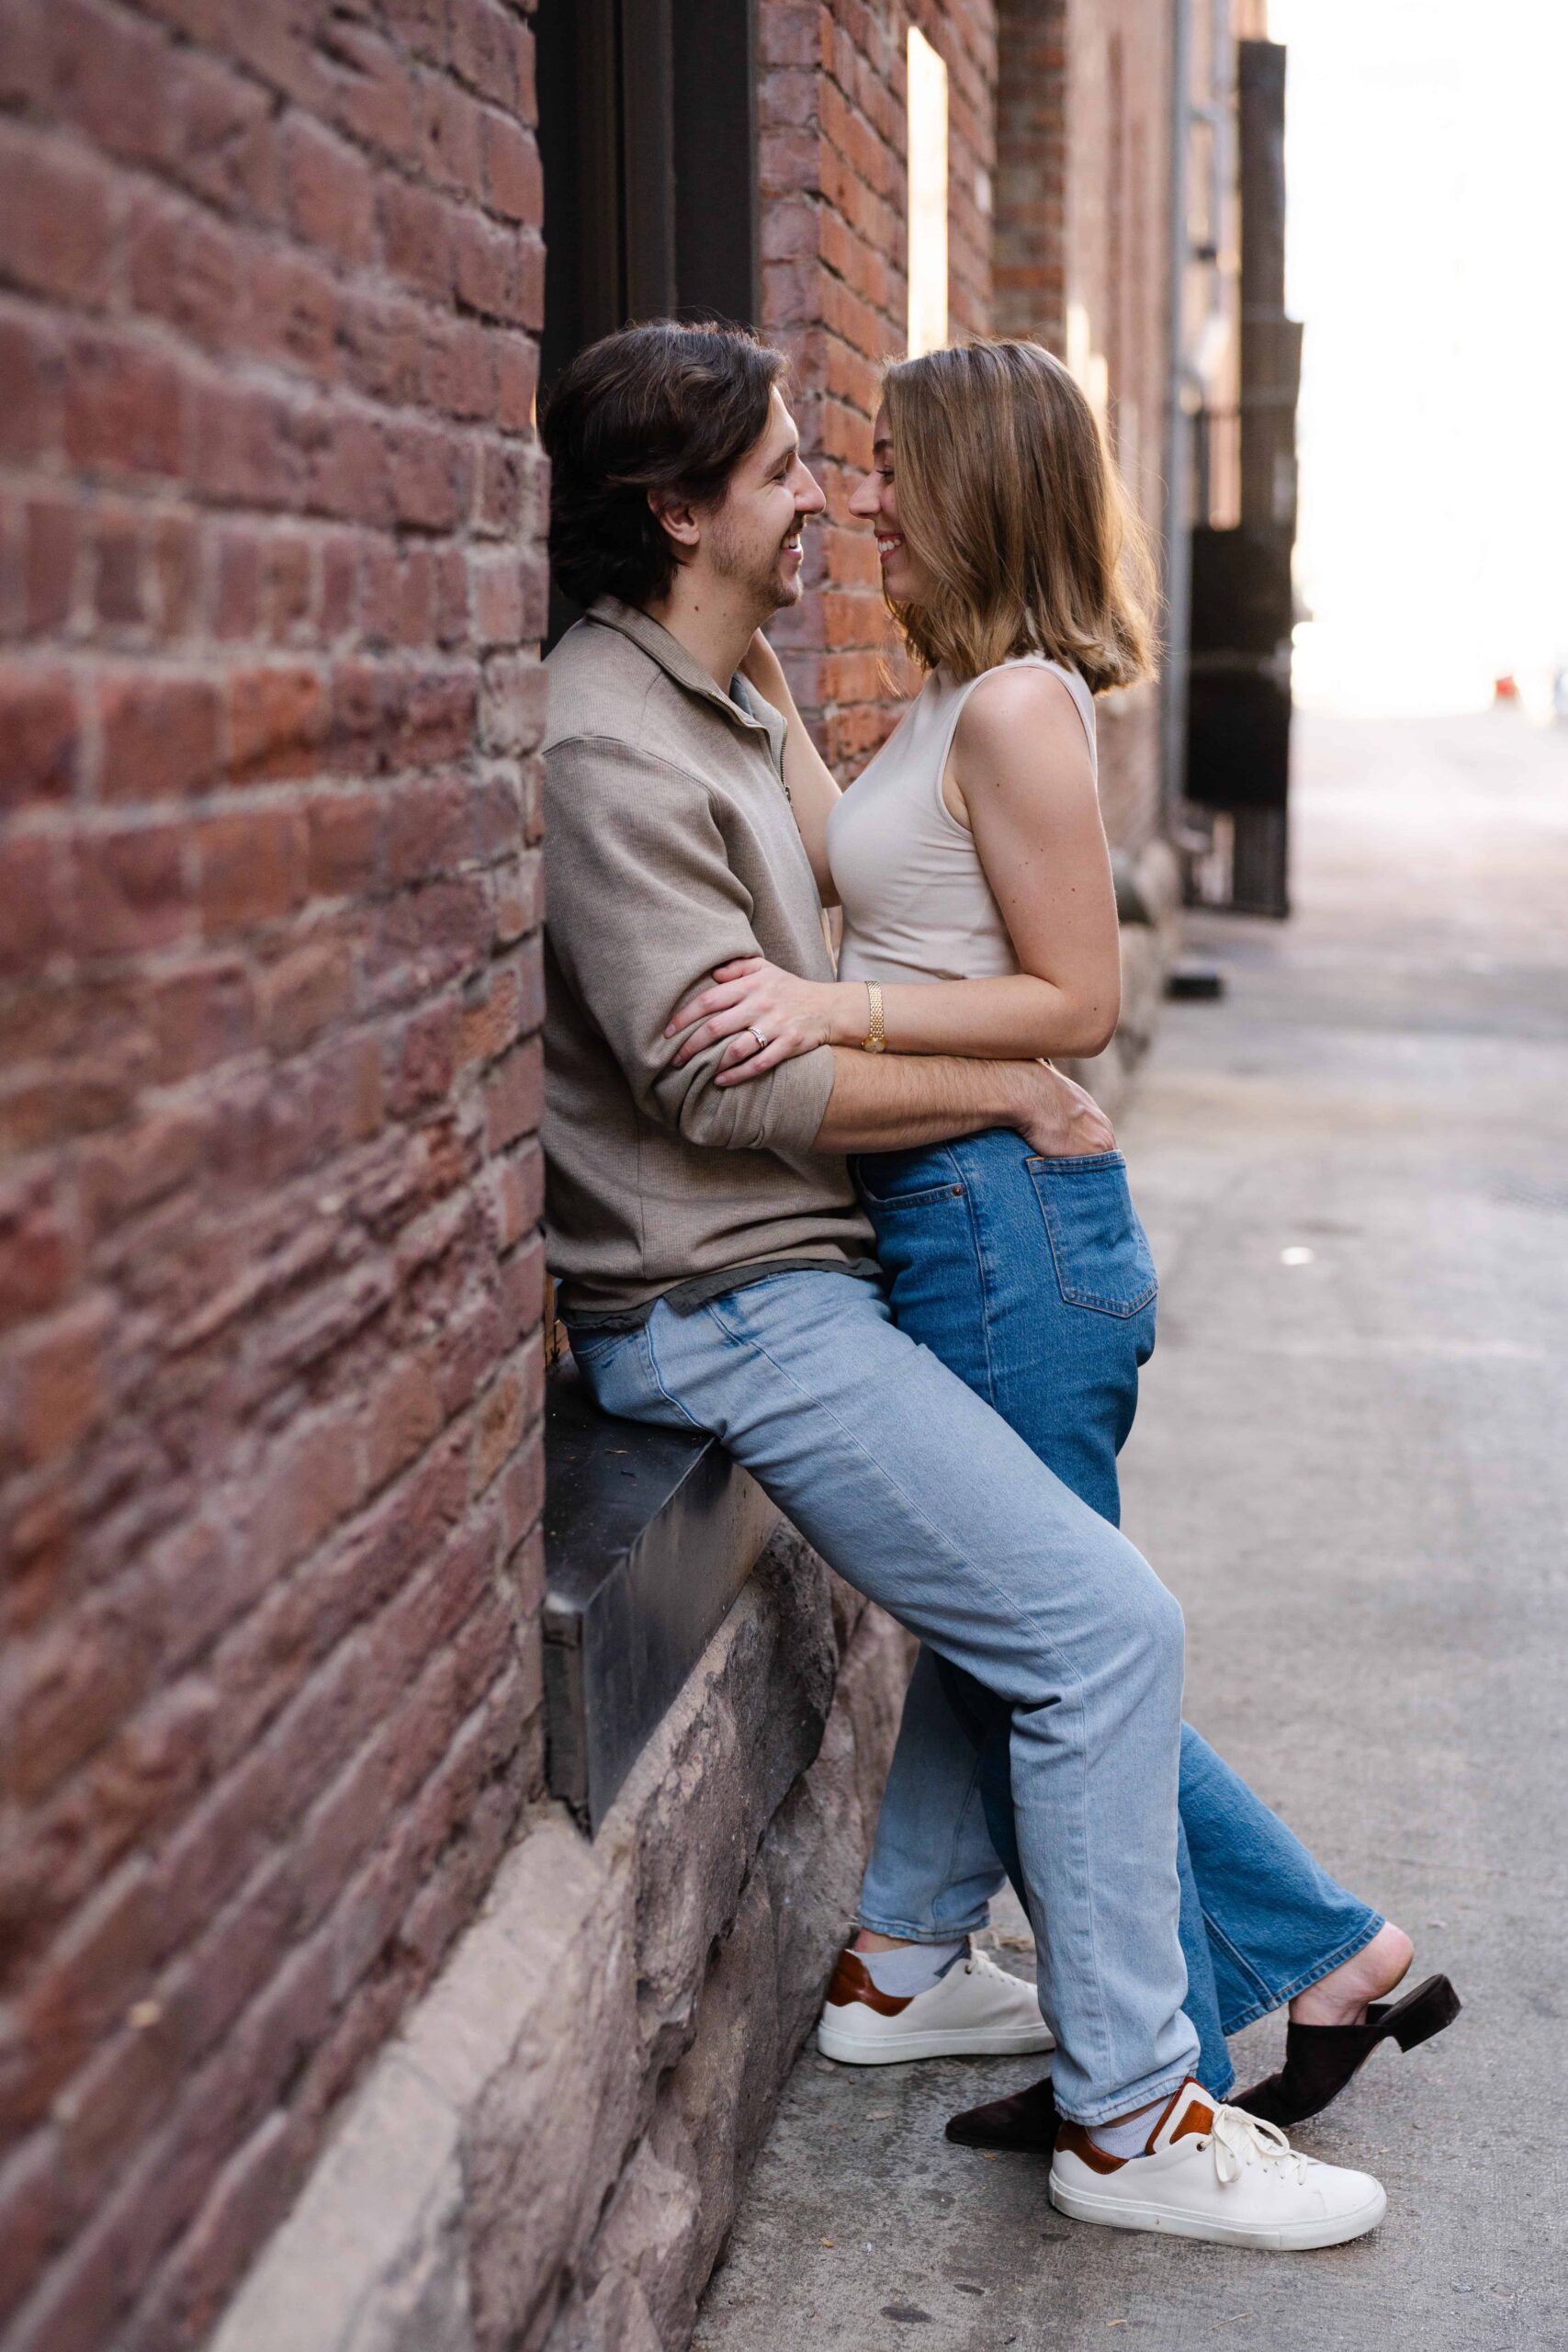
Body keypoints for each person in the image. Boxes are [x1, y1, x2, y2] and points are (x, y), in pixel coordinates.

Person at [539, 319, 1392, 2248]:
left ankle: (909, 1963)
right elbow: (710, 1066)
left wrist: (992, 1062)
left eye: (852, 464)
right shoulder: (605, 733)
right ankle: (1130, 2117)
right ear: (678, 510)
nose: (831, 494)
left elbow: (917, 968)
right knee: (1099, 1630)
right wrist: (999, 1068)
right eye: (784, 469)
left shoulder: (739, 692)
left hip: (836, 1263)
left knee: (1046, 1614)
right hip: (728, 1297)